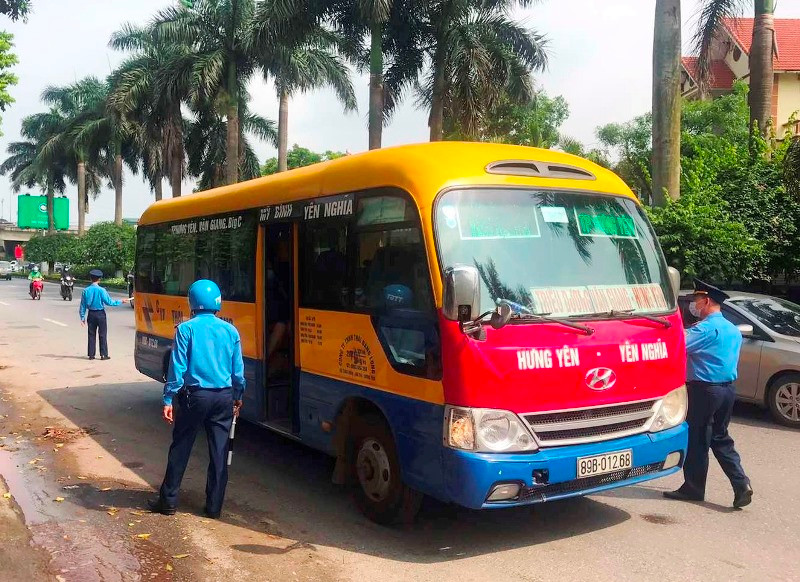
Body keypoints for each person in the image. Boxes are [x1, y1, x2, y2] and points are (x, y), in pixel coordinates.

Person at [148, 280, 245, 519]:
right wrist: (238, 396)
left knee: (181, 447)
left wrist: (168, 398)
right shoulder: (231, 331)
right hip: (223, 397)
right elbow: (238, 372)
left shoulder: (185, 330)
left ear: (192, 302)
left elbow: (177, 368)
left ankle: (168, 502)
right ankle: (214, 508)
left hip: (194, 397)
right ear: (217, 303)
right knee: (220, 452)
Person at [664, 279, 753, 508]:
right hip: (727, 391)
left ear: (706, 301)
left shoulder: (705, 329)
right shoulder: (731, 329)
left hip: (704, 390)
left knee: (697, 439)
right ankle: (741, 483)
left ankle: (693, 488)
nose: (694, 305)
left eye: (696, 300)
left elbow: (676, 345)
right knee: (720, 437)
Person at [79, 269, 129, 360]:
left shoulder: (85, 291)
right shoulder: (102, 290)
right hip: (100, 314)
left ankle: (91, 355)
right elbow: (109, 302)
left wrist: (82, 317)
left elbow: (82, 305)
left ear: (90, 278)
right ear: (99, 279)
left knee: (91, 334)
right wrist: (121, 301)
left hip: (91, 314)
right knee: (102, 334)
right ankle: (103, 355)